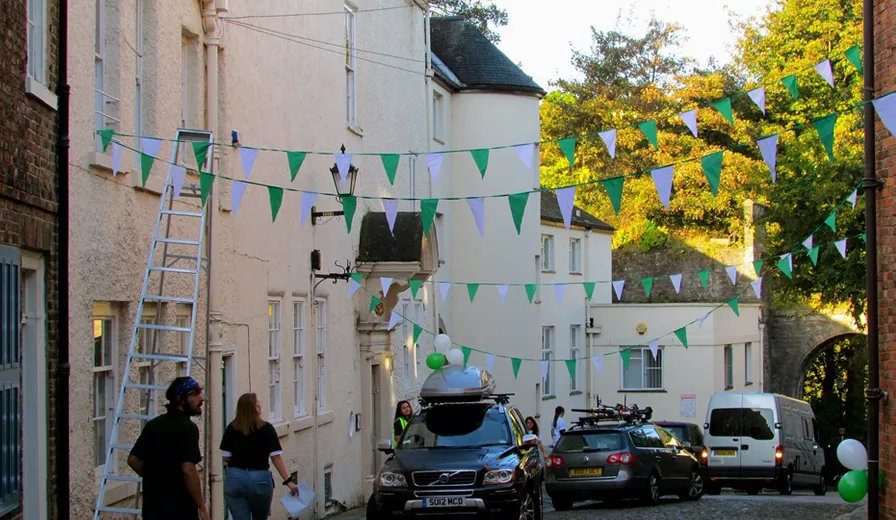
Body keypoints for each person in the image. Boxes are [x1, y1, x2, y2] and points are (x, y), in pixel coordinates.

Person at [127, 376, 209, 520]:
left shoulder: (153, 425)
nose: (201, 398)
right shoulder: (188, 428)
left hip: (153, 508)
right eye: (195, 394)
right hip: (180, 509)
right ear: (180, 399)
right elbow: (188, 470)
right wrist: (202, 507)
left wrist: (154, 479)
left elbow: (133, 459)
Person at [220, 393, 298, 520]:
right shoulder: (266, 429)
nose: (260, 404)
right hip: (259, 478)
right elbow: (276, 458)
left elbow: (226, 457)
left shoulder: (231, 428)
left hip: (235, 478)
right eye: (258, 402)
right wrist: (288, 482)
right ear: (254, 407)